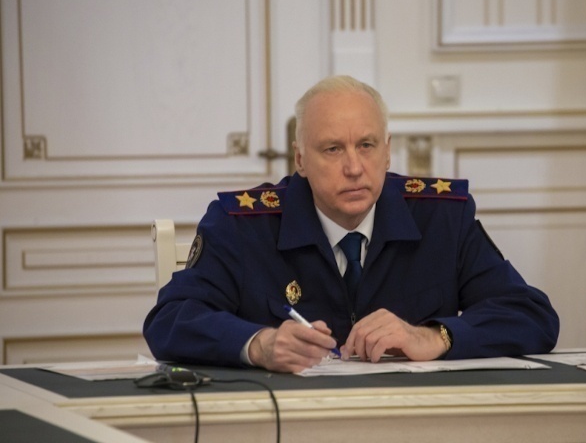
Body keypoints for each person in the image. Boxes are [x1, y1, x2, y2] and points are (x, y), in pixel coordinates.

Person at [143, 75, 559, 373]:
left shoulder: (442, 217)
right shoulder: (243, 224)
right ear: (300, 159)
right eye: (332, 149)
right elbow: (170, 319)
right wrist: (260, 345)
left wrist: (434, 337)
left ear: (387, 152)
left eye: (366, 145)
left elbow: (531, 314)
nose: (355, 167)